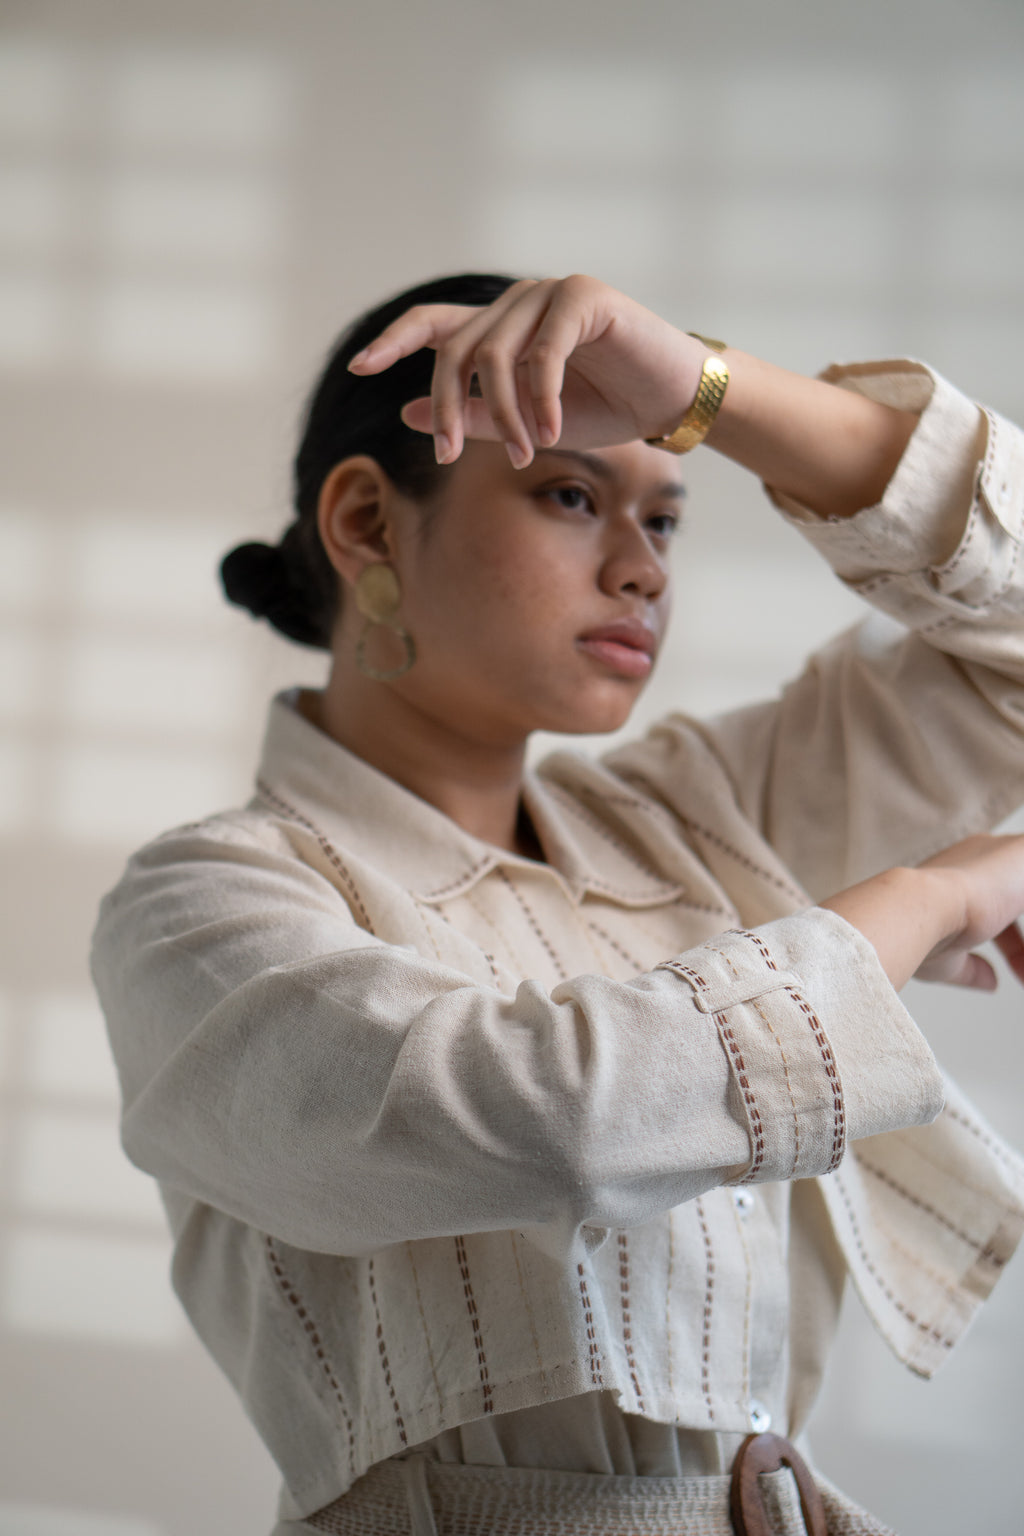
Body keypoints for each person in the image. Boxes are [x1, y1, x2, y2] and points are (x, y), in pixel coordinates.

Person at [91, 272, 1024, 1536]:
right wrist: (925, 897)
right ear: (367, 523)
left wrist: (701, 387)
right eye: (572, 495)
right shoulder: (204, 906)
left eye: (668, 518)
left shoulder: (703, 815)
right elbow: (553, 1122)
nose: (641, 569)